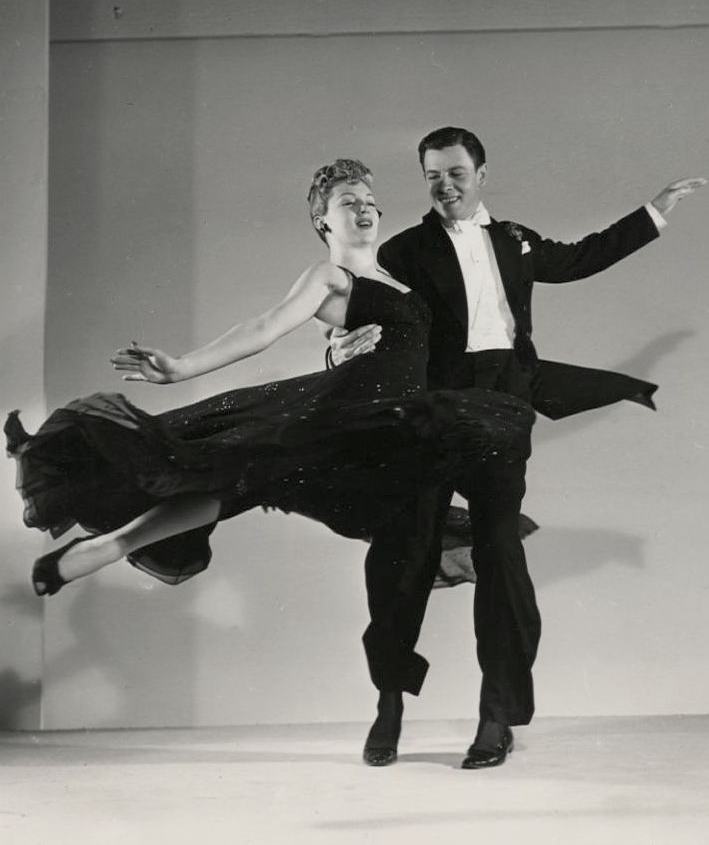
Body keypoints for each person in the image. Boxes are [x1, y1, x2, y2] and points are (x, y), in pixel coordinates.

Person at [5, 158, 534, 765]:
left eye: (369, 199)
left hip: (403, 438)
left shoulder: (400, 277)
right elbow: (263, 327)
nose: (364, 207)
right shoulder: (329, 276)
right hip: (348, 423)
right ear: (323, 221)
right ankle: (113, 544)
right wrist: (181, 368)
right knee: (238, 470)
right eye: (347, 201)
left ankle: (114, 545)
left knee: (385, 557)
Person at [329, 127, 706, 769]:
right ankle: (389, 701)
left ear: (481, 173)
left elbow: (581, 258)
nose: (445, 186)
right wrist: (340, 352)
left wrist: (654, 211)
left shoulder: (515, 239)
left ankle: (496, 715)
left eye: (456, 173)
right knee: (404, 555)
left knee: (501, 555)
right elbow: (364, 314)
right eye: (433, 176)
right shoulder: (403, 250)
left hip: (503, 408)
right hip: (429, 415)